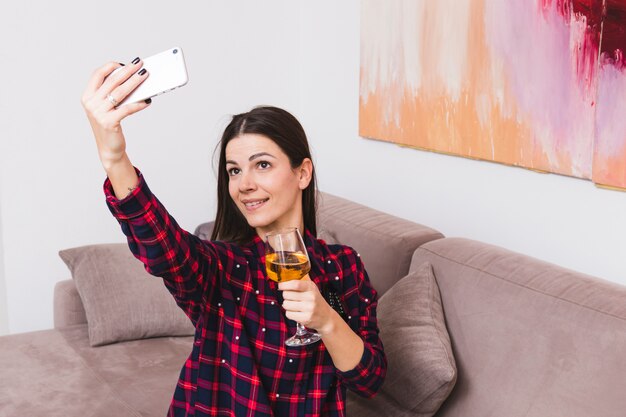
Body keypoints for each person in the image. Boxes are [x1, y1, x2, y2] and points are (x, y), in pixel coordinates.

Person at [81, 57, 386, 417]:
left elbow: (369, 380)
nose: (244, 185)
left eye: (262, 165)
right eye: (234, 170)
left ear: (302, 173)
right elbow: (163, 248)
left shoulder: (343, 265)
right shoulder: (223, 267)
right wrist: (114, 157)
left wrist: (326, 320)